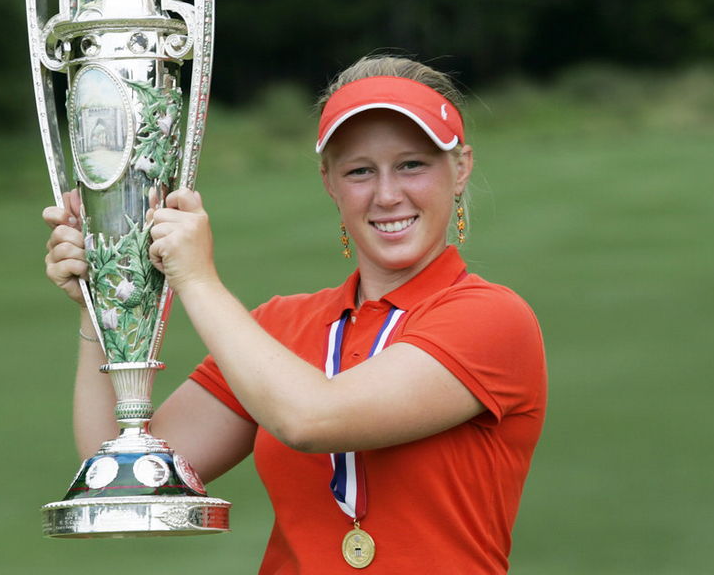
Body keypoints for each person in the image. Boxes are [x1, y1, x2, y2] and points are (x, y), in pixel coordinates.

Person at [43, 55, 547, 573]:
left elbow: (313, 417)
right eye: (359, 172)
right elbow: (117, 471)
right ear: (329, 181)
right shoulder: (277, 328)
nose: (388, 194)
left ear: (460, 168)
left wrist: (196, 279)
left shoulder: (493, 319)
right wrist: (96, 307)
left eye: (412, 164)